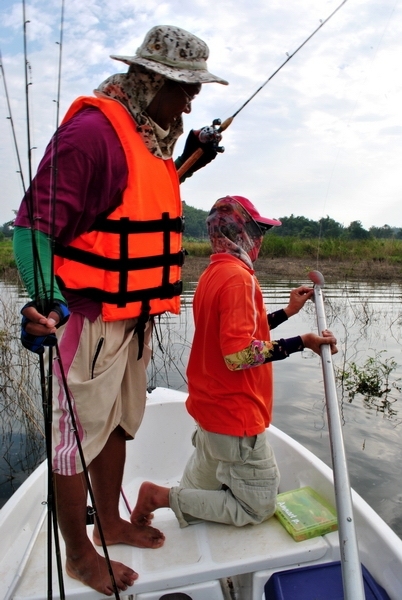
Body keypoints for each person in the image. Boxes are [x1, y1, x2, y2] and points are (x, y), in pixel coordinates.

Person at [13, 25, 228, 596]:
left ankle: (109, 520)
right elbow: (31, 231)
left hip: (133, 322)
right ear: (151, 79)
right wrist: (42, 301)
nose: (191, 101)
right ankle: (80, 552)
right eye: (184, 88)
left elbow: (131, 201)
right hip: (87, 320)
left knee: (118, 429)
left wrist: (189, 163)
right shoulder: (91, 133)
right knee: (74, 440)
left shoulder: (149, 136)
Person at [131, 195, 338, 530]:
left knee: (200, 489)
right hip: (234, 417)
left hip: (210, 410)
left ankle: (179, 497)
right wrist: (302, 342)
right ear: (239, 234)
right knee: (259, 507)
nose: (259, 240)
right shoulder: (240, 279)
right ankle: (160, 496)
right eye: (257, 232)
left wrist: (287, 312)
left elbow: (236, 335)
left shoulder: (214, 273)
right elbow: (238, 355)